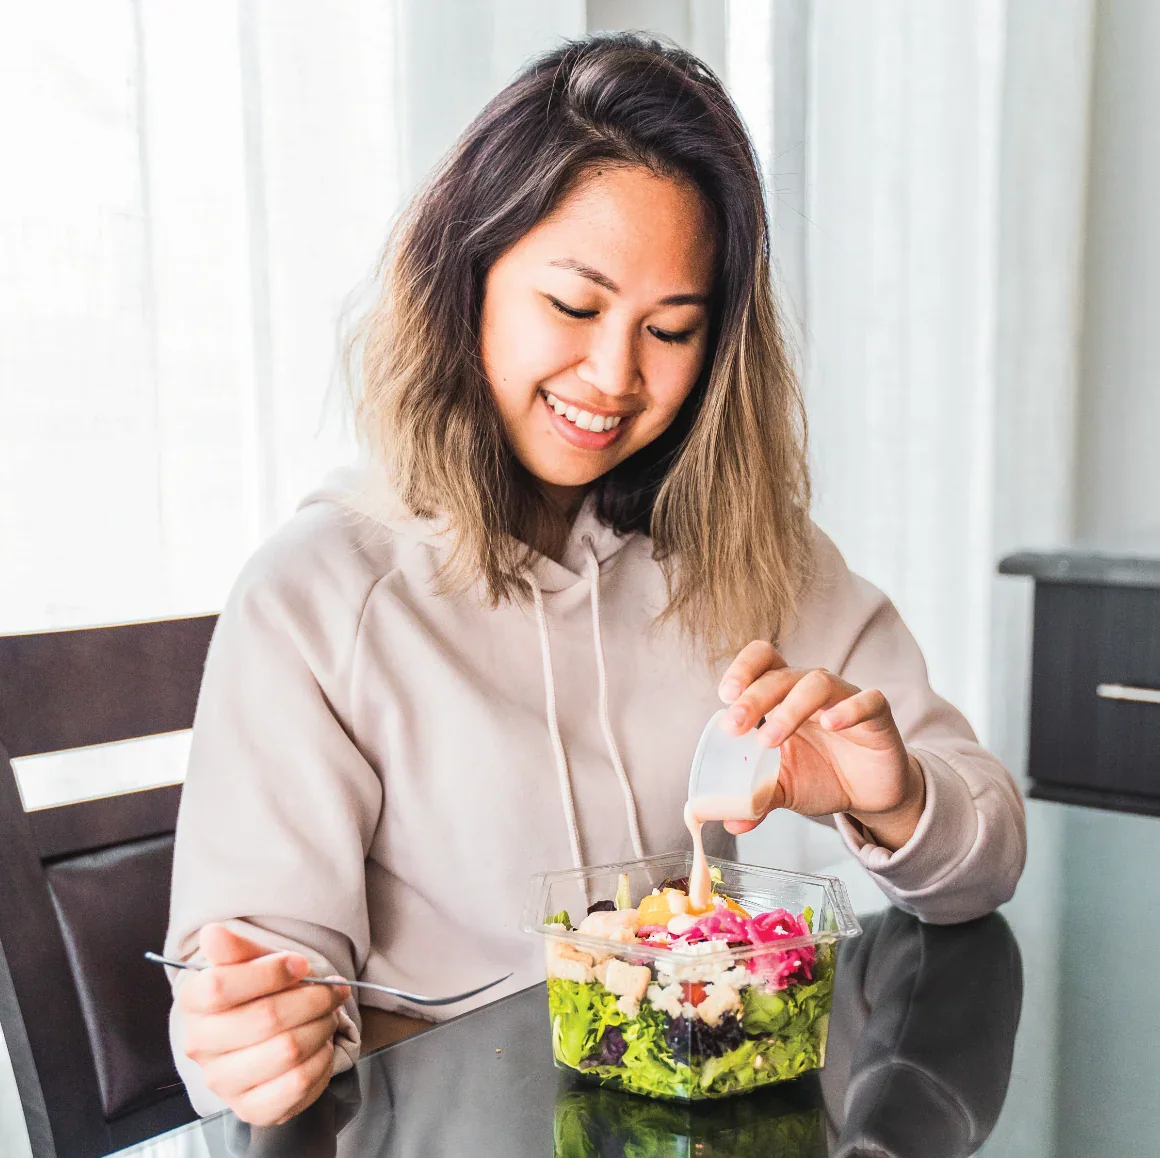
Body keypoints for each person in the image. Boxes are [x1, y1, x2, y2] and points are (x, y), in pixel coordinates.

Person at [164, 33, 1026, 1126]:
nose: (615, 378)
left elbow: (984, 858)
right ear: (464, 278)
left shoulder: (753, 552)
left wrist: (892, 795)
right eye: (572, 309)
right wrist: (253, 1036)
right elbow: (244, 998)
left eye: (670, 330)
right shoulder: (322, 593)